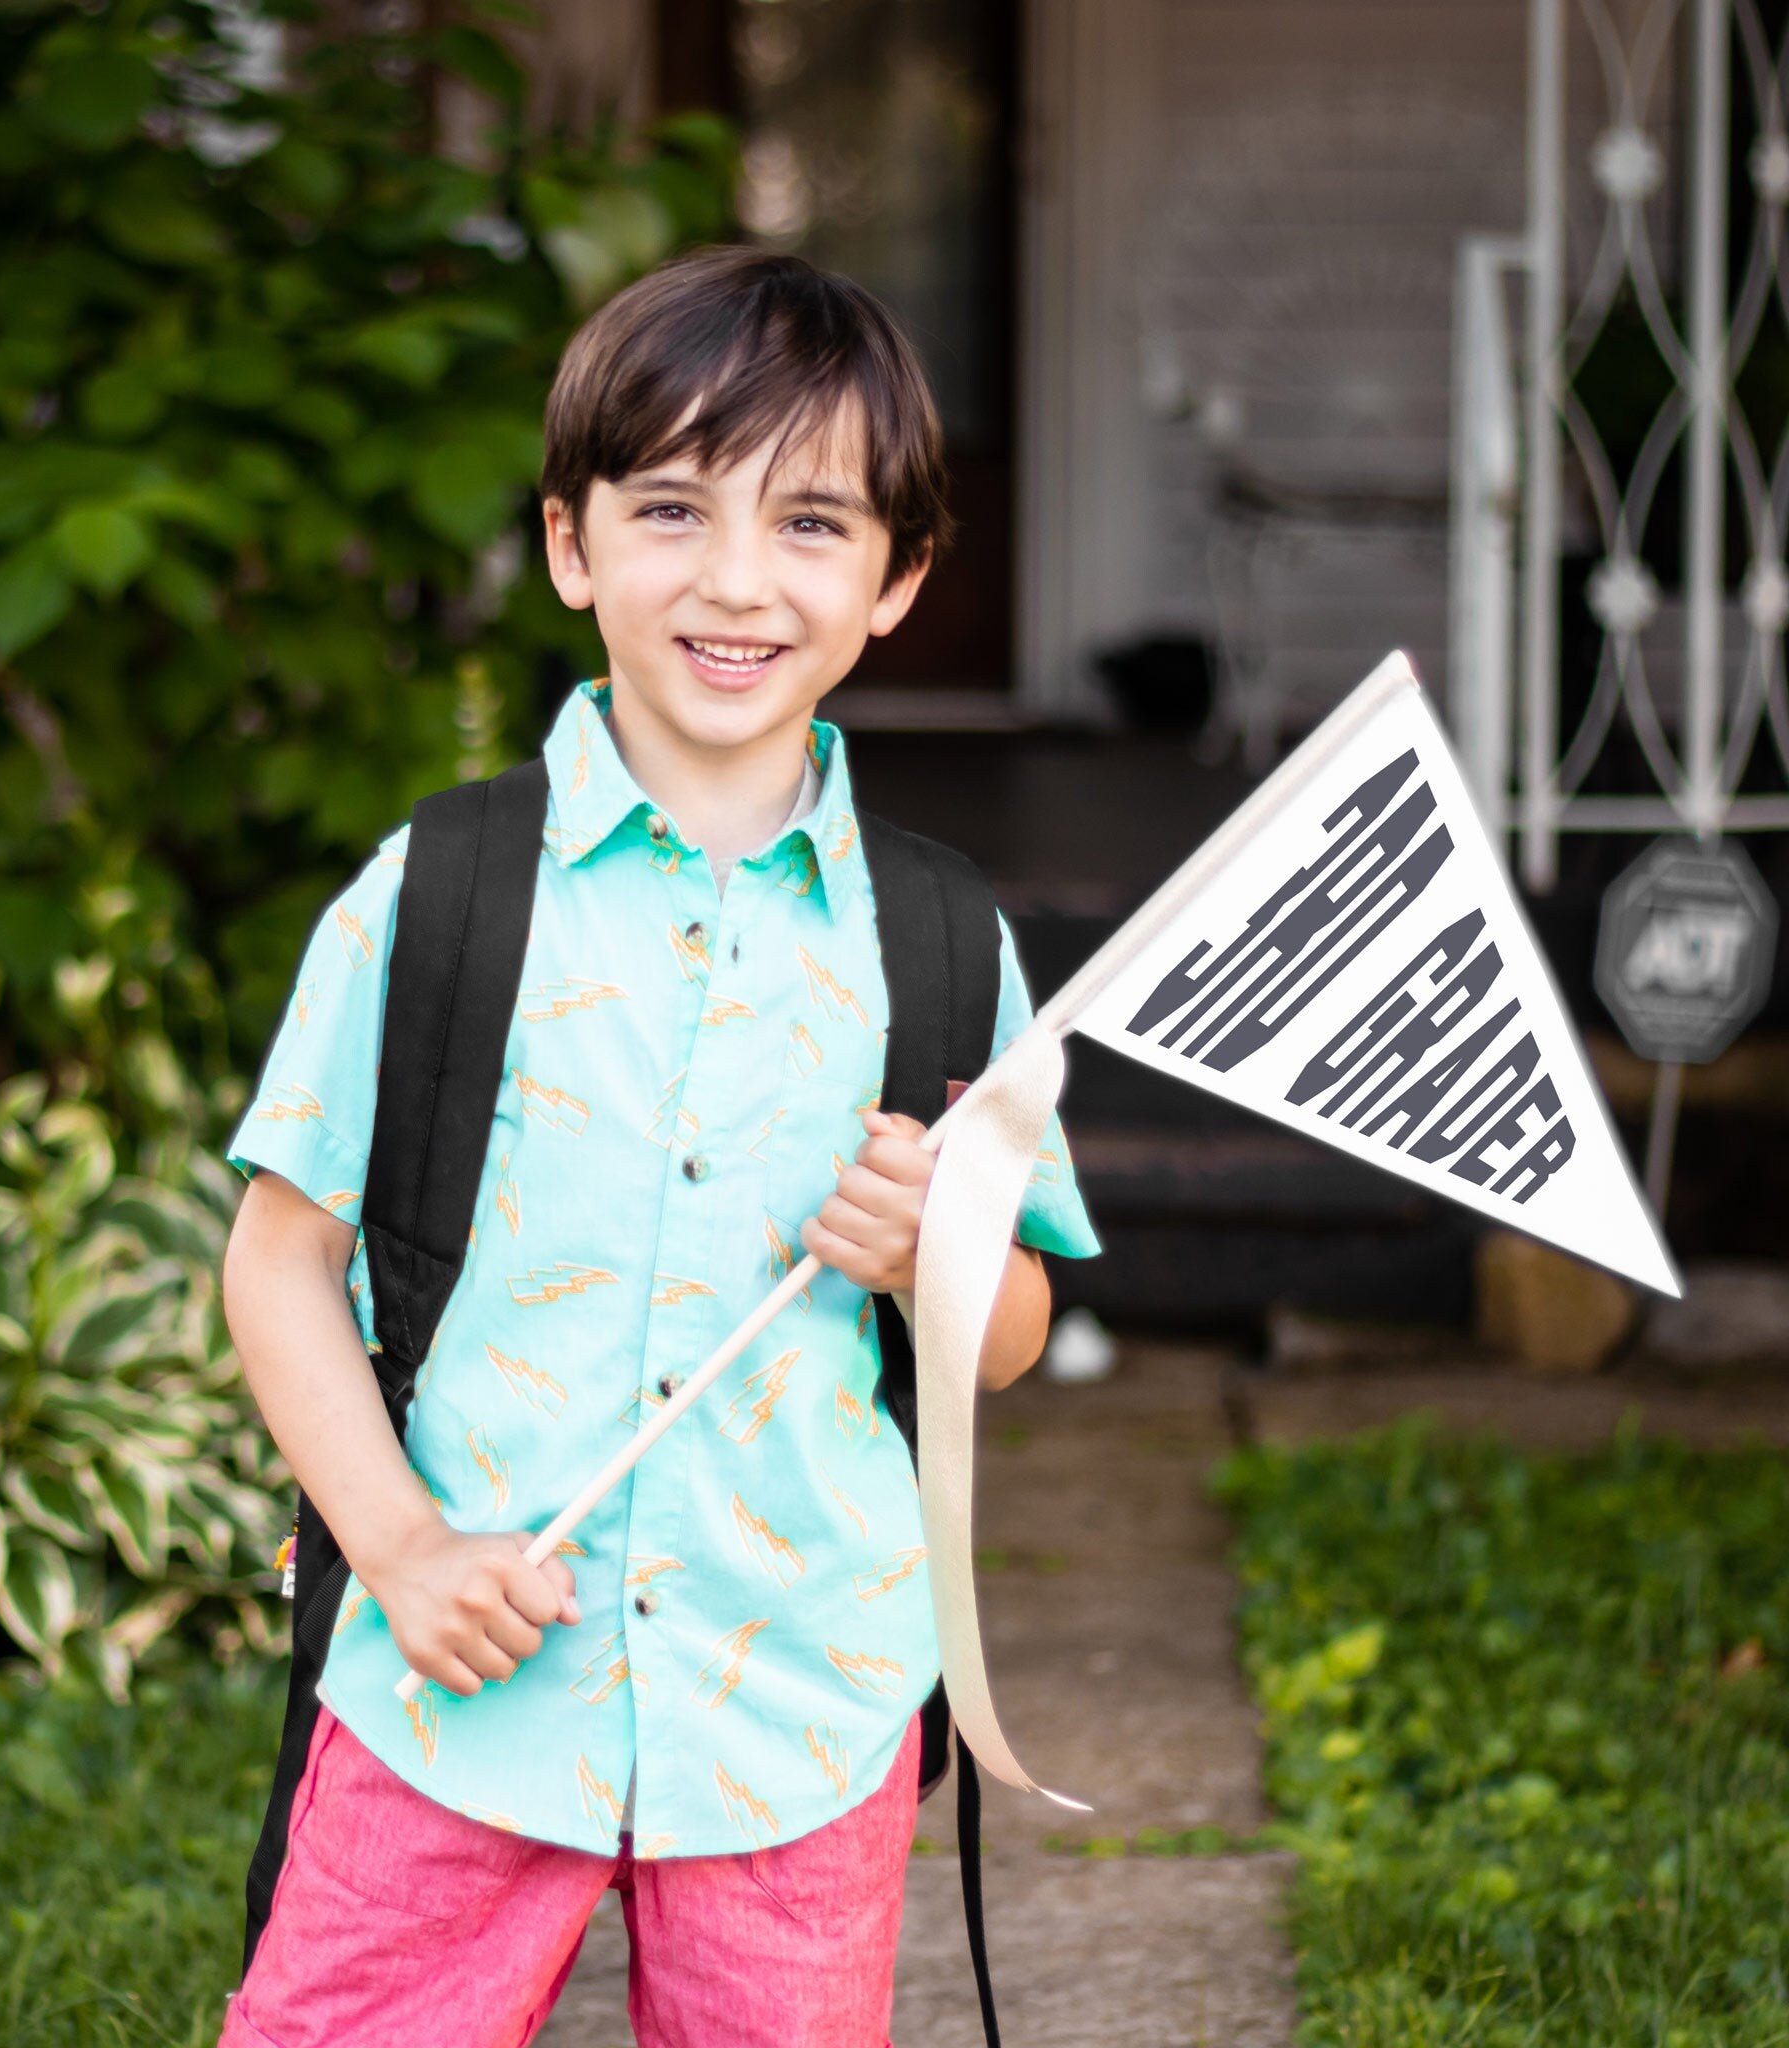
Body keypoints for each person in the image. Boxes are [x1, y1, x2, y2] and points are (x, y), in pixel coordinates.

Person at [216, 243, 1102, 2048]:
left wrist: (937, 1251)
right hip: (459, 1687)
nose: (734, 580)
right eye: (676, 507)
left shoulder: (936, 947)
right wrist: (396, 1549)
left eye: (811, 526)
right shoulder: (440, 896)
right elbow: (280, 1260)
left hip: (801, 1706)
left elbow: (1006, 1336)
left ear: (900, 579)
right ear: (570, 544)